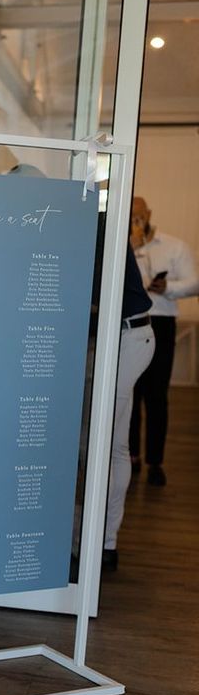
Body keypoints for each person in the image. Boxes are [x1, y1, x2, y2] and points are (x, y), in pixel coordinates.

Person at [128, 197, 199, 485]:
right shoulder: (122, 247)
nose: (135, 222)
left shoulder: (174, 246)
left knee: (157, 396)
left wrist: (168, 287)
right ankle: (131, 456)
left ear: (149, 214)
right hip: (131, 324)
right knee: (131, 393)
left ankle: (156, 460)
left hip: (161, 322)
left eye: (138, 216)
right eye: (130, 217)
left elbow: (194, 283)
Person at [102, 242, 155, 571]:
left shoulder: (106, 226)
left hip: (128, 337)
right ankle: (105, 541)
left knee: (110, 444)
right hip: (119, 337)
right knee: (116, 442)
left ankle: (105, 542)